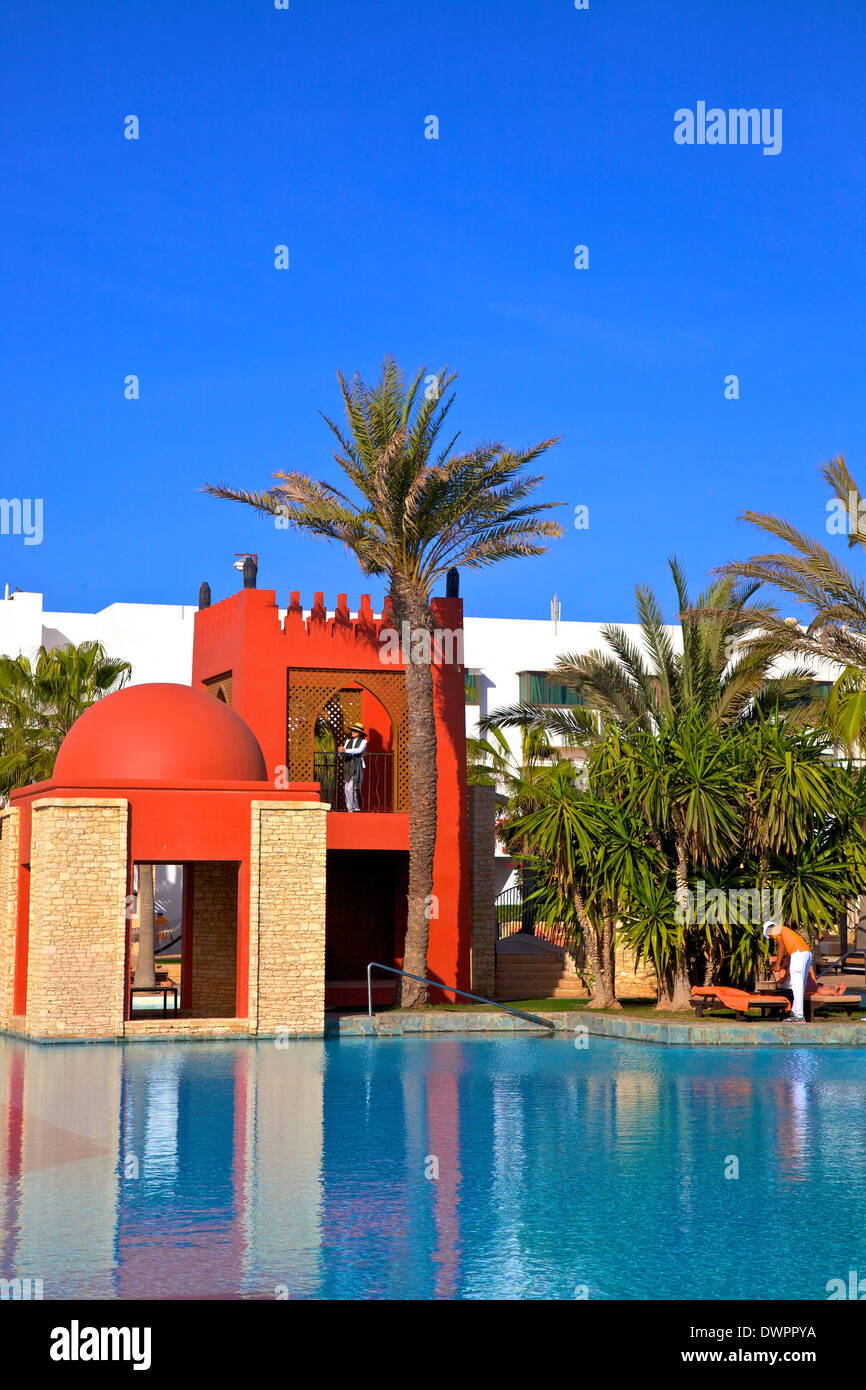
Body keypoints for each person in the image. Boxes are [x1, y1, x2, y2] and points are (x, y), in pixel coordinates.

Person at [763, 920, 818, 1022]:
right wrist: (784, 977)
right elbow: (791, 964)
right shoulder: (787, 934)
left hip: (799, 954)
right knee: (799, 985)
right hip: (806, 953)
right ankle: (795, 1012)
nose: (772, 938)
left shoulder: (776, 930)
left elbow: (780, 946)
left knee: (797, 986)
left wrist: (778, 965)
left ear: (768, 931)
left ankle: (799, 1016)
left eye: (769, 937)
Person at [338, 722, 367, 812]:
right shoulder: (348, 741)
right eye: (353, 730)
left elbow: (358, 750)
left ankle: (353, 808)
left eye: (355, 731)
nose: (353, 732)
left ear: (359, 733)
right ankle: (352, 808)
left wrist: (345, 750)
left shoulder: (363, 742)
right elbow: (343, 753)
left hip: (357, 767)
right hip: (348, 766)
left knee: (351, 788)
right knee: (347, 789)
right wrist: (341, 752)